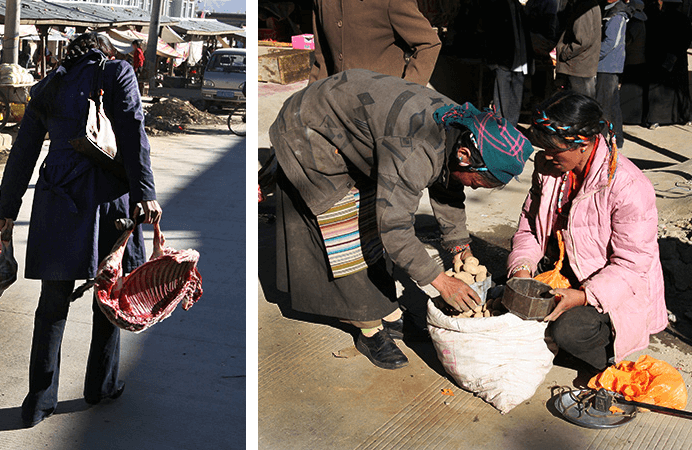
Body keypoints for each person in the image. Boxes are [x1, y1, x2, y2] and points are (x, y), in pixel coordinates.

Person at [270, 69, 535, 370]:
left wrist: (460, 246)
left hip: (350, 122)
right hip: (309, 130)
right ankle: (368, 328)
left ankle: (392, 315)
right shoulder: (416, 149)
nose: (473, 187)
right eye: (477, 182)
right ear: (464, 154)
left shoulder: (456, 128)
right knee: (345, 230)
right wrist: (440, 281)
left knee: (373, 216)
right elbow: (394, 229)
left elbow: (448, 185)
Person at [0, 32, 161, 428]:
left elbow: (23, 151)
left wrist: (8, 208)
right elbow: (133, 134)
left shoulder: (49, 86)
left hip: (57, 199)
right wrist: (146, 193)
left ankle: (38, 401)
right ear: (104, 50)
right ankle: (99, 387)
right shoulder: (118, 73)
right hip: (107, 202)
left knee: (51, 304)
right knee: (108, 294)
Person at [508, 91, 667, 372]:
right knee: (509, 298)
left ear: (581, 144)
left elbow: (632, 265)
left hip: (615, 289)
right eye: (543, 148)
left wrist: (583, 297)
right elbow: (529, 228)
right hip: (566, 268)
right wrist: (522, 269)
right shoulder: (549, 169)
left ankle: (611, 355)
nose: (546, 157)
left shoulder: (628, 186)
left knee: (567, 331)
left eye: (553, 150)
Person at [308, 0, 442, 86]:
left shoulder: (390, 2)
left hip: (382, 108)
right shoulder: (322, 2)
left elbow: (428, 44)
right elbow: (322, 58)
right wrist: (310, 99)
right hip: (338, 105)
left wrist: (406, 93)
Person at [640, 0, 692, 128]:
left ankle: (656, 119)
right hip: (676, 59)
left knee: (659, 90)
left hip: (661, 58)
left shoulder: (658, 18)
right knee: (677, 90)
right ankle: (684, 116)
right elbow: (686, 39)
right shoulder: (683, 19)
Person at [482, 0, 534, 126]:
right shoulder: (497, 6)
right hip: (503, 61)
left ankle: (511, 128)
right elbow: (490, 33)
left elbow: (525, 35)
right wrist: (492, 60)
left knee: (516, 100)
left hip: (520, 60)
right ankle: (503, 128)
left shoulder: (518, 7)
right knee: (502, 99)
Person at [595, 0, 630, 149]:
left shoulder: (616, 14)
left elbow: (611, 42)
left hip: (608, 66)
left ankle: (602, 139)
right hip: (609, 65)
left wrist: (595, 55)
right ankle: (618, 138)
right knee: (613, 105)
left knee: (604, 104)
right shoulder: (612, 11)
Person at [554, 0, 602, 97]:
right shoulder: (587, 5)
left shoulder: (584, 6)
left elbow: (582, 40)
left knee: (579, 105)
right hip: (582, 65)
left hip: (578, 67)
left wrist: (564, 52)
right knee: (582, 104)